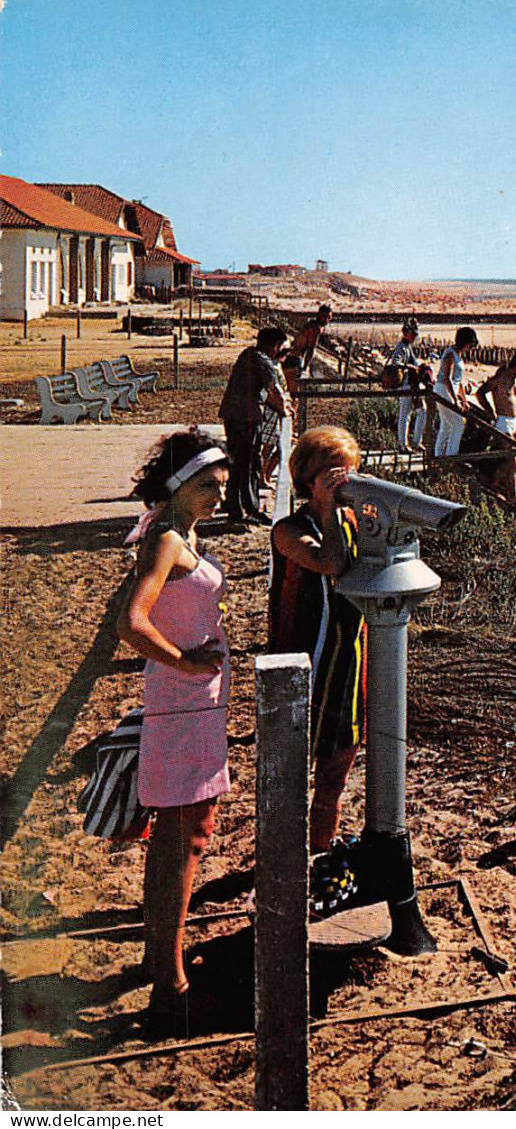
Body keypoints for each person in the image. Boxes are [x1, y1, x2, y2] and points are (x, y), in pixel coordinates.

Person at [116, 429, 233, 1031]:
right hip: (185, 704)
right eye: (205, 483)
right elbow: (130, 623)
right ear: (177, 483)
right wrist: (185, 661)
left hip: (191, 703)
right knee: (187, 838)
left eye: (221, 483)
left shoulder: (178, 531)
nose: (218, 492)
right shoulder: (166, 539)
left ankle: (155, 960)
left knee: (172, 837)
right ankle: (171, 983)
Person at [268, 427, 367, 854]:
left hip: (349, 661)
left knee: (334, 774)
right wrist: (328, 509)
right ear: (309, 480)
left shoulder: (352, 521)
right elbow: (330, 562)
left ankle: (320, 852)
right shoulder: (290, 529)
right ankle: (286, 859)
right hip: (303, 659)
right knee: (290, 773)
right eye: (333, 476)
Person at [217, 326, 288, 524]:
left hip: (233, 415)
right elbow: (274, 390)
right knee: (249, 463)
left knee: (238, 462)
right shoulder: (262, 361)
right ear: (274, 346)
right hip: (246, 417)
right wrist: (285, 409)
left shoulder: (247, 354)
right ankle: (248, 508)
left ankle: (237, 506)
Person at [477, 353, 516, 505]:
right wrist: (491, 413)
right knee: (514, 459)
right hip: (503, 422)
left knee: (515, 459)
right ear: (515, 365)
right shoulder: (501, 378)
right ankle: (512, 494)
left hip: (513, 423)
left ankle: (494, 482)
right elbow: (480, 392)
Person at [433, 327, 479, 459]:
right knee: (458, 424)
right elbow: (447, 378)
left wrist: (463, 400)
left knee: (446, 425)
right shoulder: (450, 355)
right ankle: (450, 456)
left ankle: (439, 455)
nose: (470, 349)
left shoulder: (457, 355)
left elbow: (458, 382)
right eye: (470, 345)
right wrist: (455, 400)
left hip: (448, 389)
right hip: (443, 389)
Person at [388, 319, 426, 451]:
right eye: (413, 334)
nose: (414, 337)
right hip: (405, 384)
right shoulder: (401, 347)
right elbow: (395, 363)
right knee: (405, 414)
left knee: (422, 411)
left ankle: (416, 441)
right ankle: (403, 444)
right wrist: (409, 366)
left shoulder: (407, 347)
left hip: (412, 385)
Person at [284, 304, 333, 399]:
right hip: (294, 358)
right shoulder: (316, 327)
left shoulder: (315, 325)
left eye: (329, 318)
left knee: (293, 392)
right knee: (295, 394)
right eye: (324, 317)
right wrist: (305, 368)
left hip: (294, 357)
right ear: (318, 315)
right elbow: (311, 349)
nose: (326, 320)